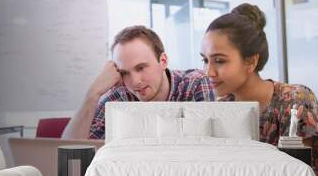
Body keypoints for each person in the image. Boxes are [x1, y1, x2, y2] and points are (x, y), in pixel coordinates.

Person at [200, 3, 318, 176]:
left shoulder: (295, 101)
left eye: (220, 61)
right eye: (205, 60)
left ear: (251, 62)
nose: (208, 72)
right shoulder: (222, 108)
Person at [62, 25, 215, 141]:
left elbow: (207, 148)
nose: (135, 82)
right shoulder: (117, 97)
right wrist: (92, 93)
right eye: (124, 73)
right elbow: (67, 153)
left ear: (163, 61)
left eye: (141, 68)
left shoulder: (195, 84)